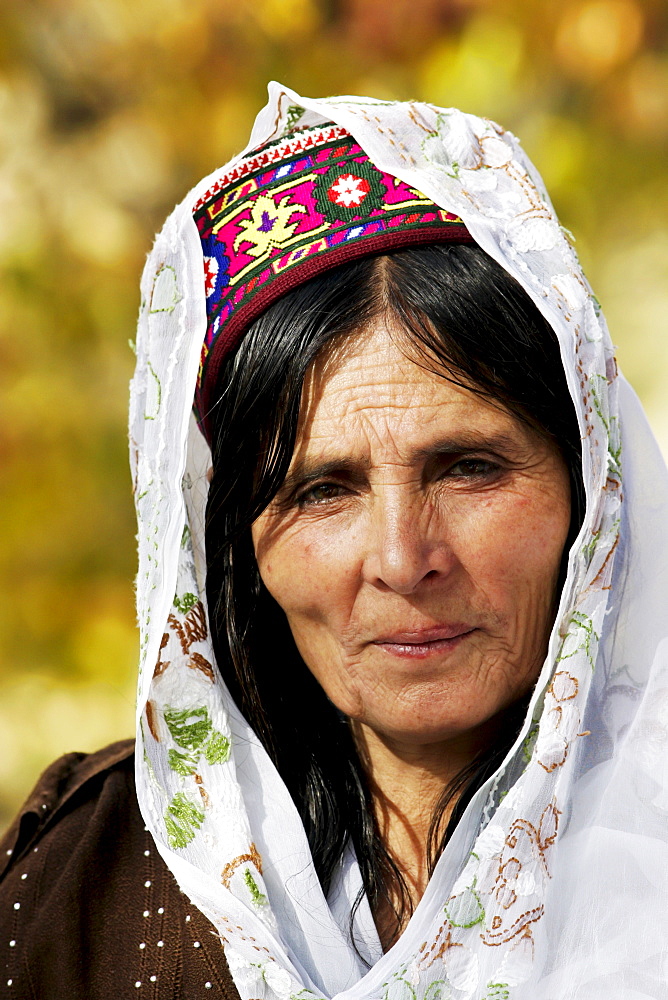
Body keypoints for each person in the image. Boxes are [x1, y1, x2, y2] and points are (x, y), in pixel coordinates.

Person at [1, 84, 667, 999]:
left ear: (589, 487)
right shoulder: (88, 884)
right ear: (239, 543)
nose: (403, 559)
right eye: (322, 490)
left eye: (468, 468)